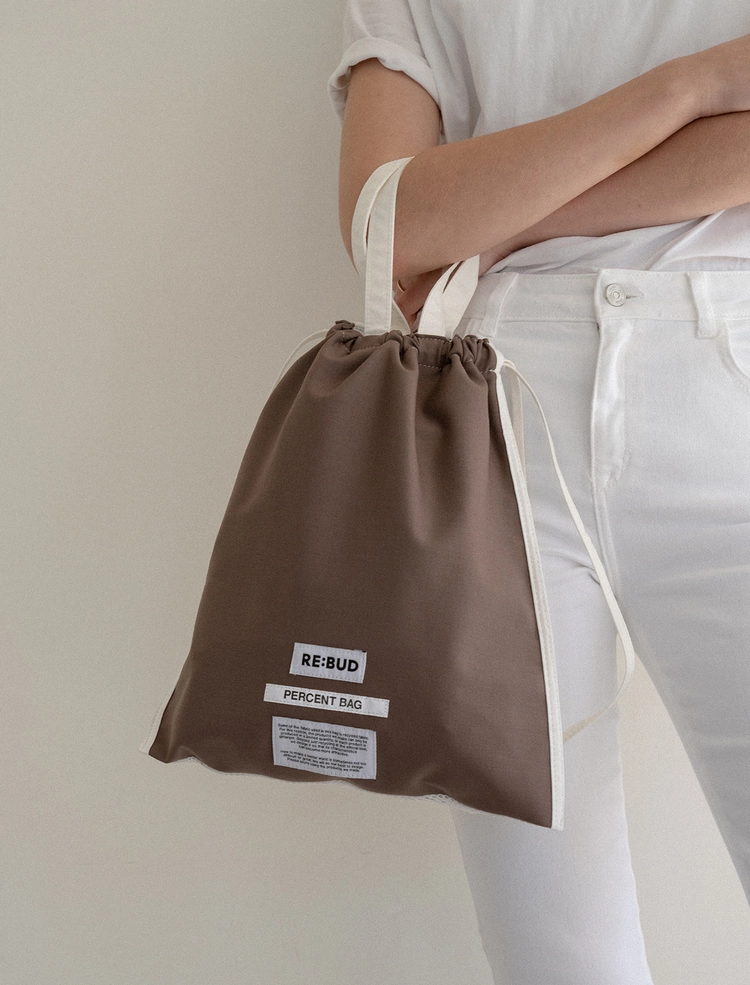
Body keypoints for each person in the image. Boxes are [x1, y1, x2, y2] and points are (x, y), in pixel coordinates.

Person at [326, 2, 750, 983]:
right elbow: (393, 223)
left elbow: (437, 224)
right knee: (554, 951)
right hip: (491, 413)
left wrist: (504, 216)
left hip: (725, 374)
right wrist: (694, 86)